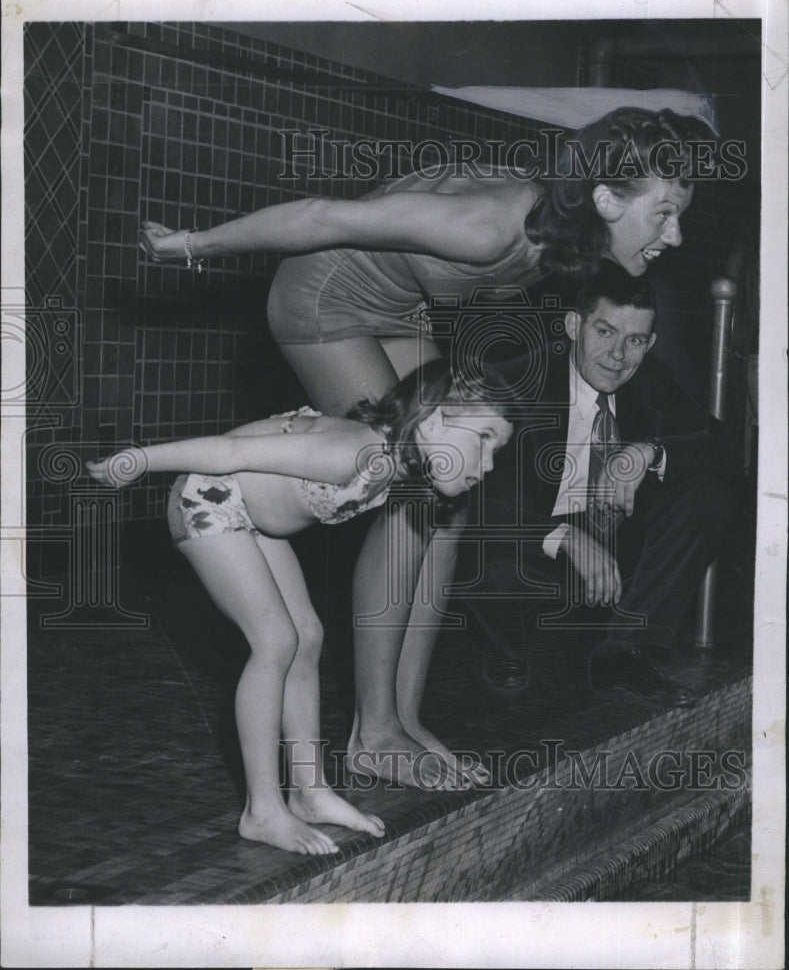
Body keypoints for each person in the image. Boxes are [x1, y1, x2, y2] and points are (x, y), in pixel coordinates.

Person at [139, 107, 715, 784]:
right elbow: (323, 217)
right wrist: (191, 245)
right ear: (606, 200)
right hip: (323, 302)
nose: (673, 236)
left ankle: (403, 724)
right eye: (664, 213)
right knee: (410, 493)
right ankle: (372, 734)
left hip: (392, 311)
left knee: (450, 496)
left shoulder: (568, 224)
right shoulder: (486, 226)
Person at [86, 360, 513, 852]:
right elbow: (228, 451)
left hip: (251, 518)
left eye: (496, 448)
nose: (488, 464)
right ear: (435, 421)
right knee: (275, 642)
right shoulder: (357, 450)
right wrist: (138, 460)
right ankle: (262, 811)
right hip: (209, 500)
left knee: (307, 637)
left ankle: (310, 793)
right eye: (482, 438)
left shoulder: (394, 464)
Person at [459, 264, 737, 705]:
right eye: (605, 332)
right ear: (574, 325)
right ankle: (505, 645)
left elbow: (729, 447)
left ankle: (623, 651)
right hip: (526, 547)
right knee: (488, 565)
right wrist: (564, 536)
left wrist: (648, 452)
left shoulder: (649, 381)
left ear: (651, 344)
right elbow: (463, 501)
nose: (618, 356)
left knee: (710, 494)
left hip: (610, 541)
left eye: (635, 341)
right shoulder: (510, 381)